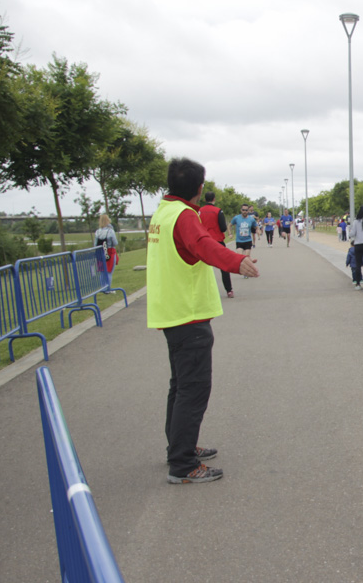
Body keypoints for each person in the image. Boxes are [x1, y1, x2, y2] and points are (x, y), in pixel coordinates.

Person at [146, 157, 259, 484]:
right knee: (193, 389)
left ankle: (178, 446)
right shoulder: (184, 216)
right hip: (188, 314)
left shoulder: (162, 213)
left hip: (171, 312)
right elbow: (204, 246)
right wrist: (237, 263)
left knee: (180, 385)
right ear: (198, 188)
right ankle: (182, 464)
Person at [198, 192, 233, 298]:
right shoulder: (218, 211)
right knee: (224, 266)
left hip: (204, 241)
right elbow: (222, 228)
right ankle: (229, 290)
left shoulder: (199, 211)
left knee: (201, 267)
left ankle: (201, 292)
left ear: (205, 199)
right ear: (214, 199)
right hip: (217, 240)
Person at [93, 214, 119, 289]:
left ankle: (103, 288)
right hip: (110, 252)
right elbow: (115, 243)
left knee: (102, 272)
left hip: (100, 253)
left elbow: (95, 244)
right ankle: (108, 288)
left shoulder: (97, 232)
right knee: (109, 272)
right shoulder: (110, 231)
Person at [231, 205, 257, 277]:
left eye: (246, 210)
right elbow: (229, 225)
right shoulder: (236, 218)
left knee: (246, 256)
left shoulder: (251, 219)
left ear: (248, 211)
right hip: (239, 241)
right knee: (240, 257)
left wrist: (258, 231)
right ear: (241, 210)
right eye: (243, 210)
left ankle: (247, 272)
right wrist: (230, 234)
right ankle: (249, 262)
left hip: (248, 240)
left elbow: (256, 226)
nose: (244, 211)